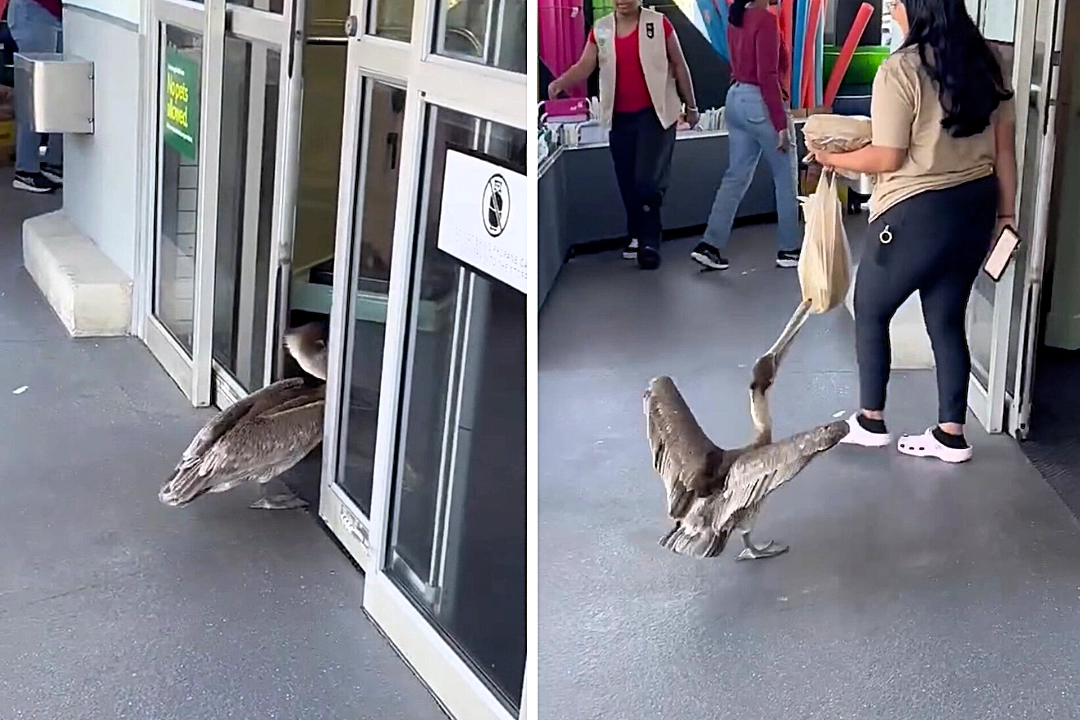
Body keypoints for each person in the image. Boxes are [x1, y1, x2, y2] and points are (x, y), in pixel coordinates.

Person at [812, 0, 1016, 463]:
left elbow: (888, 157)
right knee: (946, 319)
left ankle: (871, 420)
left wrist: (832, 159)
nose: (892, 9)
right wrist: (1006, 217)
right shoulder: (990, 62)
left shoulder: (900, 68)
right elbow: (1005, 151)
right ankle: (951, 434)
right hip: (975, 206)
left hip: (914, 212)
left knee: (871, 307)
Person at [548, 0, 698, 270]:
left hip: (655, 114)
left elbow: (679, 64)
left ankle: (650, 240)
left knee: (646, 180)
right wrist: (561, 82)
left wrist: (692, 105)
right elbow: (585, 65)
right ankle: (636, 233)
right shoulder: (601, 29)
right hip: (620, 117)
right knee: (627, 180)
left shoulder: (658, 23)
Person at [690, 0, 800, 271]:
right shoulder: (765, 20)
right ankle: (789, 250)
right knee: (786, 178)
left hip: (736, 97)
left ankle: (710, 245)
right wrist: (780, 124)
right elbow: (767, 74)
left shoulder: (735, 18)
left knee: (735, 176)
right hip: (761, 102)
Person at [7, 0, 63, 194]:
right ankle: (26, 169)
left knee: (56, 88)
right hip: (34, 10)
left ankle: (54, 162)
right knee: (36, 93)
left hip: (51, 13)